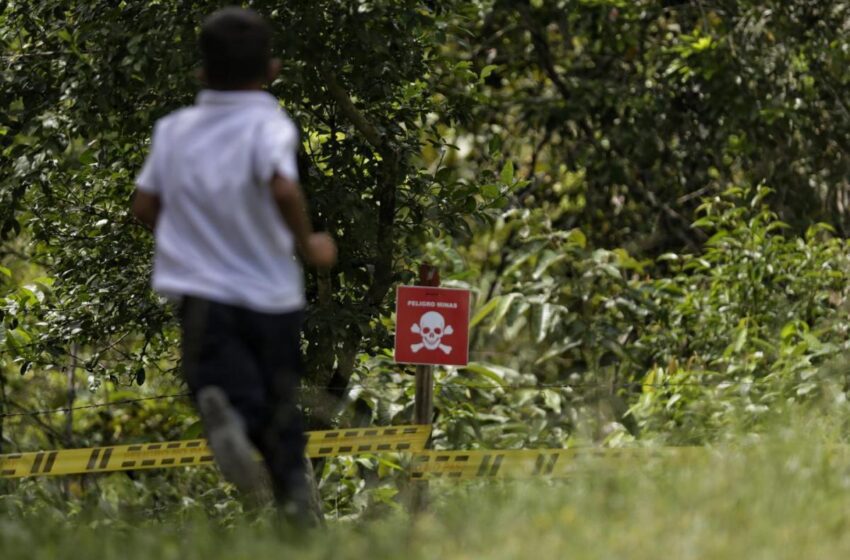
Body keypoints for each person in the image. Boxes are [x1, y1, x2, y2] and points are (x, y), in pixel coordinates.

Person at [131, 7, 336, 524]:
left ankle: (224, 411)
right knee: (280, 408)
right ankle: (298, 515)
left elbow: (144, 207)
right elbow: (283, 185)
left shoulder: (174, 130)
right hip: (271, 294)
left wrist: (190, 245)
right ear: (273, 70)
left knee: (213, 378)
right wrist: (309, 244)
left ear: (201, 73)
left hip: (203, 294)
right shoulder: (267, 122)